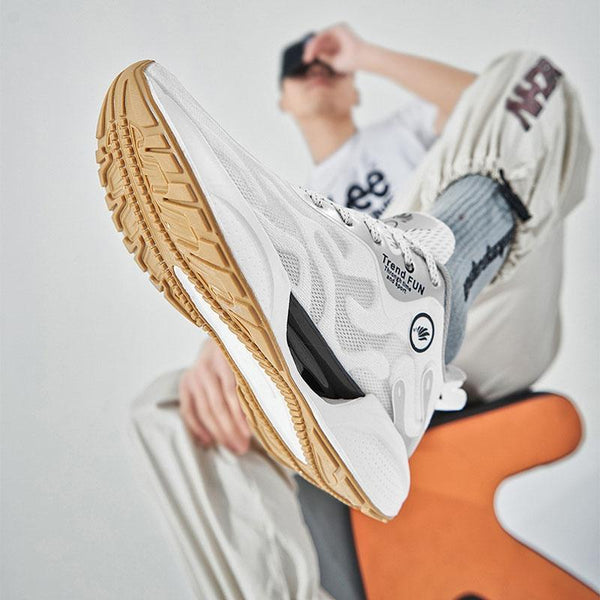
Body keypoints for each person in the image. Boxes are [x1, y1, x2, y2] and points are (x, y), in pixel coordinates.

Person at [108, 24, 591, 600]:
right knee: (167, 409)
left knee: (530, 73)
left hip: (486, 318)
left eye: (327, 66)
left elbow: (510, 111)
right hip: (363, 384)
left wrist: (367, 55)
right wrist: (228, 340)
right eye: (298, 68)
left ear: (353, 87)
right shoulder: (301, 201)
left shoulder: (410, 132)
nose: (314, 68)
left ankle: (416, 296)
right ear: (283, 101)